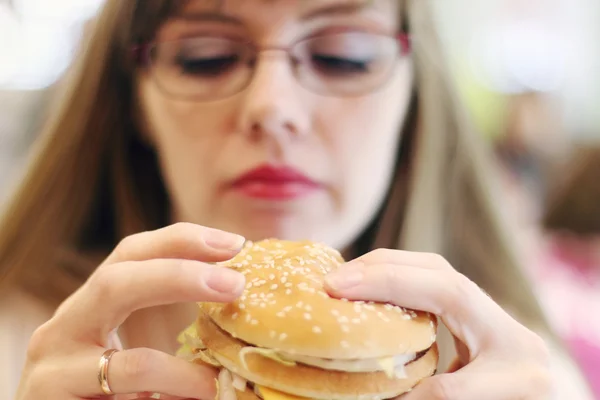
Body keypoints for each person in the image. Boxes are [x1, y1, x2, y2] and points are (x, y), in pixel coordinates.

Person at [0, 0, 592, 399]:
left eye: (343, 55)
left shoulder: (521, 372)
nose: (272, 108)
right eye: (206, 57)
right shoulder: (20, 347)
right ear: (134, 102)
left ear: (415, 97)